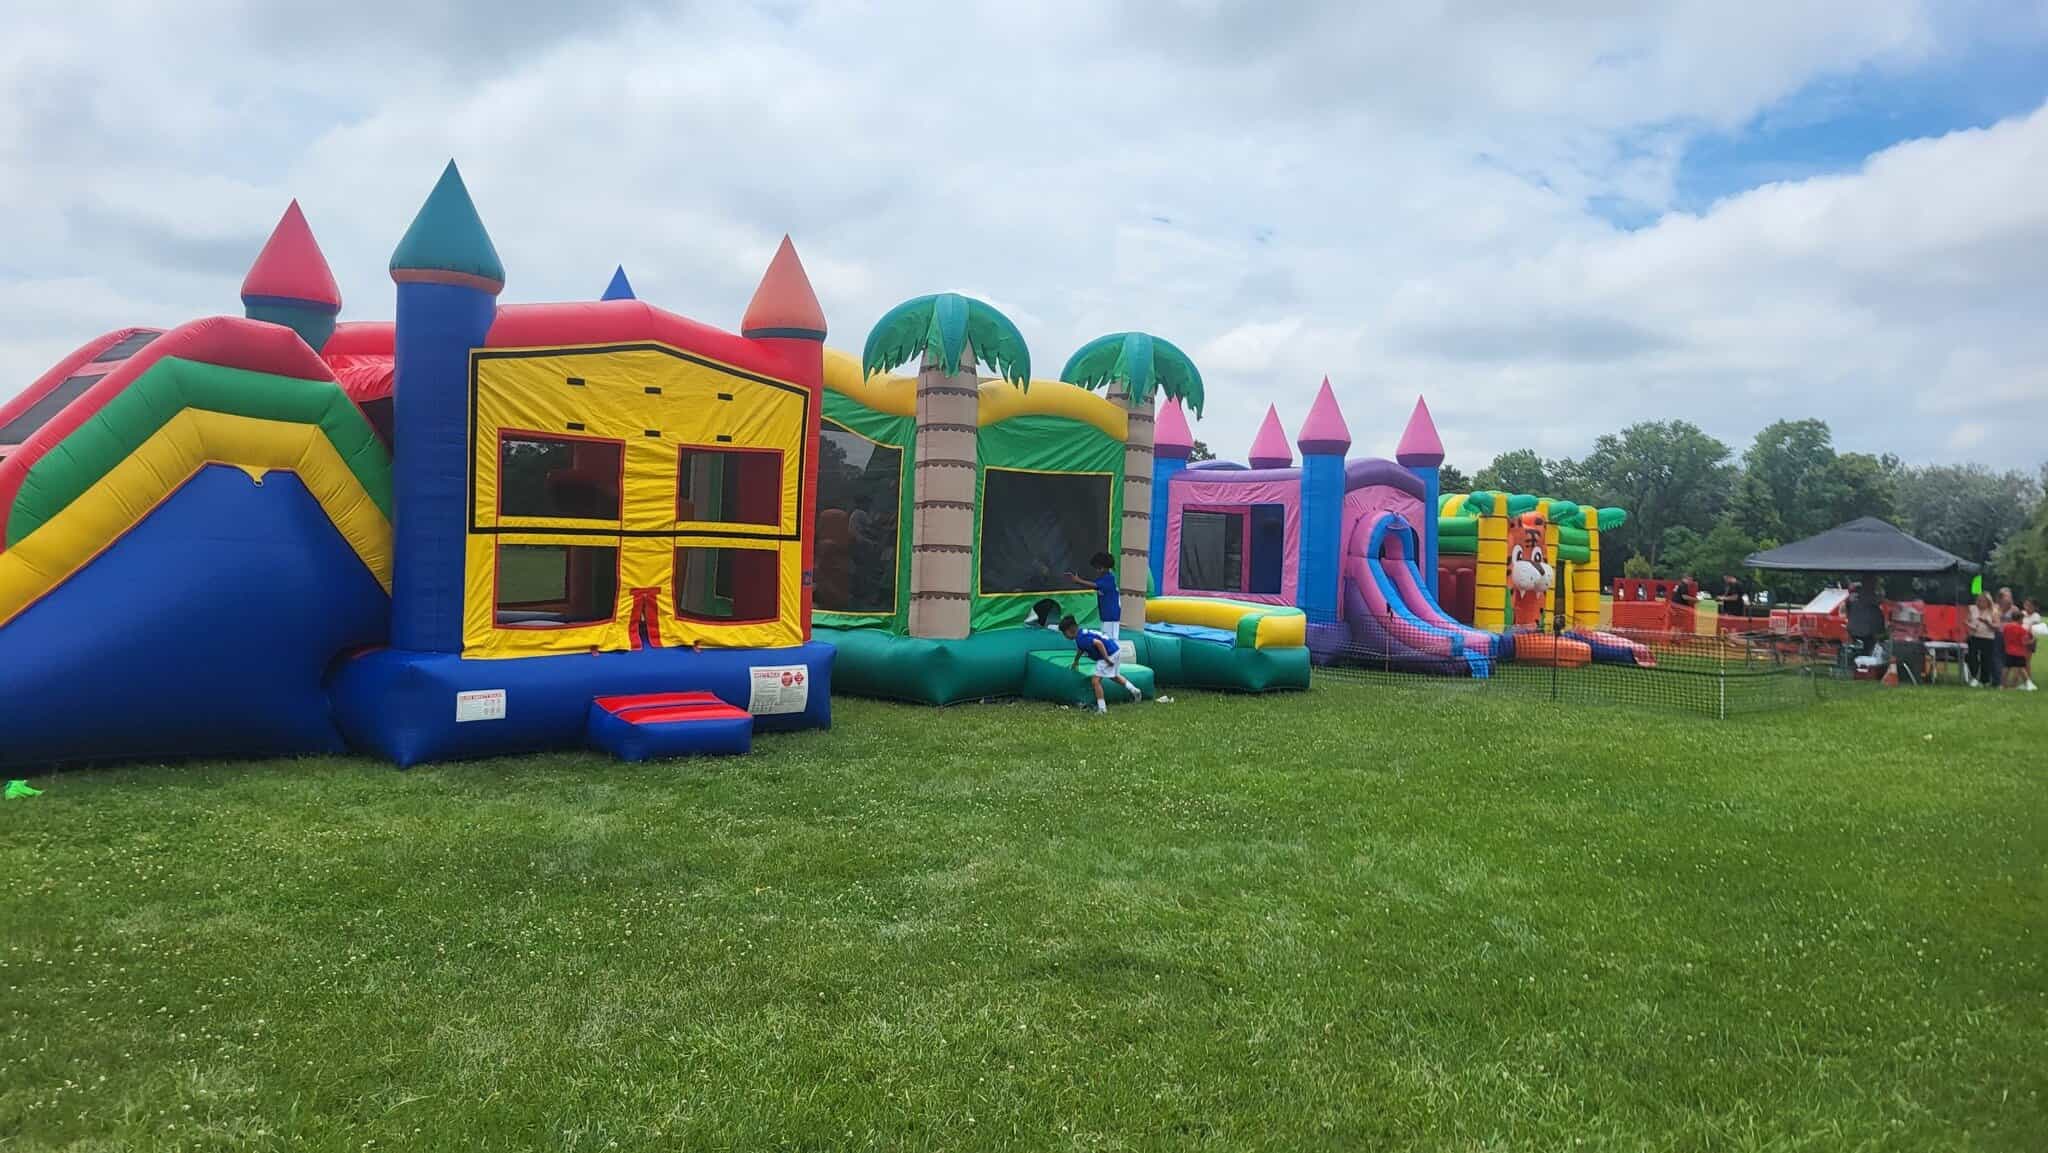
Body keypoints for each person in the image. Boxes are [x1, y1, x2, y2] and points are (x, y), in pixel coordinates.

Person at [1061, 615, 1142, 713]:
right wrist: (1076, 661)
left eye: (1065, 633)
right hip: (1115, 650)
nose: (1065, 636)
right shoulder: (1082, 633)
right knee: (1114, 676)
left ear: (1071, 629)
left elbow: (1098, 643)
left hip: (1108, 654)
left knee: (1095, 681)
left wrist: (1106, 659)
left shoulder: (1082, 638)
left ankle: (1102, 709)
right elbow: (1081, 649)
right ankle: (1135, 691)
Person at [1064, 552, 1122, 640]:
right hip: (1105, 615)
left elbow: (1095, 585)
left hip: (1111, 616)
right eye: (1096, 568)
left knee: (1111, 640)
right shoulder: (1103, 578)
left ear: (1106, 567)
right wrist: (1078, 582)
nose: (1097, 570)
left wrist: (1078, 581)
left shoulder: (1109, 578)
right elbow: (1094, 586)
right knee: (1105, 638)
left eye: (1099, 568)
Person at [1845, 578, 1884, 660]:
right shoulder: (1868, 596)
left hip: (1855, 630)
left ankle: (1857, 661)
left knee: (1860, 650)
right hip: (1866, 631)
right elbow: (1880, 598)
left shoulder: (1851, 598)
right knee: (1868, 651)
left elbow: (1848, 612)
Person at [1965, 593, 1998, 687]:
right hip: (1974, 636)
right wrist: (1969, 626)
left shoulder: (1993, 611)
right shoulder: (1972, 609)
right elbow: (1967, 620)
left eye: (1983, 601)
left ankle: (1984, 680)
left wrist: (1987, 623)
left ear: (1988, 602)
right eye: (1979, 600)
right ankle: (1974, 677)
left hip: (1988, 637)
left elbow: (1996, 626)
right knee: (1972, 657)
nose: (1980, 603)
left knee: (1986, 659)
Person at [2001, 609, 2031, 690]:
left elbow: (2004, 636)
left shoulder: (2006, 627)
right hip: (2019, 652)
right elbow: (2024, 642)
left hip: (2008, 650)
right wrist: (2032, 640)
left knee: (2006, 668)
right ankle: (2022, 684)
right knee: (2020, 668)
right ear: (2020, 619)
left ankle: (2003, 685)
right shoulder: (2022, 629)